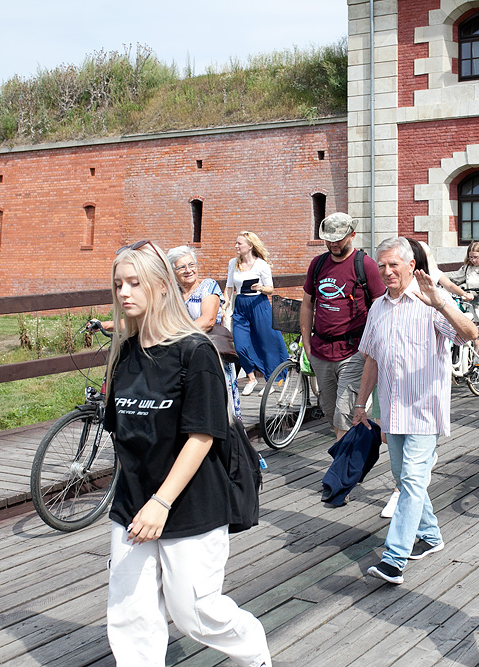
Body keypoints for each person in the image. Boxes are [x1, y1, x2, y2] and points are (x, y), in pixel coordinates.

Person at [103, 240, 271, 667]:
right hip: (134, 501)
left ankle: (254, 653)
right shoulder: (124, 352)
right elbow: (122, 431)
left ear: (160, 287)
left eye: (135, 283)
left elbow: (202, 436)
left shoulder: (195, 352)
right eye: (119, 283)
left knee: (194, 612)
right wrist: (139, 497)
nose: (124, 292)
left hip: (191, 501)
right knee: (130, 612)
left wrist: (162, 501)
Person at [352, 237, 478, 584]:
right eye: (383, 266)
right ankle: (432, 536)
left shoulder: (431, 301)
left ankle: (394, 559)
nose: (388, 271)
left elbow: (470, 335)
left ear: (411, 265)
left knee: (410, 481)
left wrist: (442, 304)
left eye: (395, 264)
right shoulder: (377, 308)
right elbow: (372, 359)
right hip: (391, 411)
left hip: (424, 410)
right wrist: (361, 404)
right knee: (404, 479)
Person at [300, 213, 386, 443]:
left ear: (352, 235)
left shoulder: (364, 264)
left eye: (338, 238)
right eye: (328, 239)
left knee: (344, 413)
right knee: (330, 411)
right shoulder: (317, 264)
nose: (333, 244)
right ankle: (354, 454)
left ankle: (342, 473)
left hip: (354, 351)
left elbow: (380, 306)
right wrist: (306, 342)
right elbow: (308, 304)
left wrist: (370, 348)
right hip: (320, 351)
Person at [167, 245, 242, 419]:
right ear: (172, 271)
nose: (188, 270)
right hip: (183, 357)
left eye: (191, 265)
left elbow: (208, 320)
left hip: (210, 355)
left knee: (218, 409)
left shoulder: (208, 286)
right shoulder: (173, 293)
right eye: (182, 267)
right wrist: (110, 324)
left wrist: (173, 334)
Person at [225, 232, 288, 396]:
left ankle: (272, 380)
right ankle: (251, 378)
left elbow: (270, 288)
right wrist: (225, 304)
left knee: (267, 343)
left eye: (239, 243)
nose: (236, 246)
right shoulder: (233, 263)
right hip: (241, 306)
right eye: (236, 243)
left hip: (259, 304)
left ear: (250, 246)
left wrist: (260, 288)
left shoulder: (261, 265)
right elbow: (229, 287)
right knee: (240, 345)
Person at [447, 241, 479, 322]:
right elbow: (451, 282)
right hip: (471, 309)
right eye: (471, 257)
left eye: (476, 257)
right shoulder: (466, 268)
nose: (473, 260)